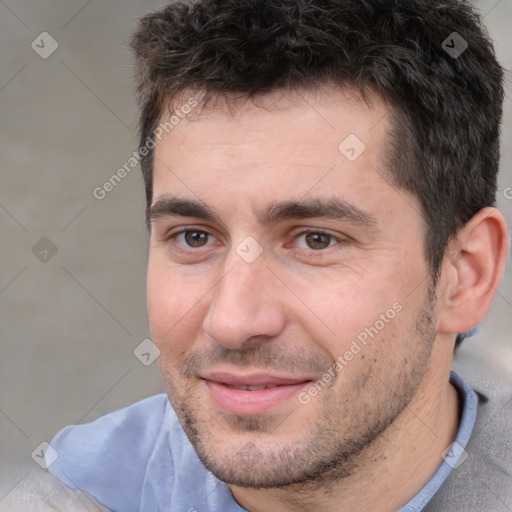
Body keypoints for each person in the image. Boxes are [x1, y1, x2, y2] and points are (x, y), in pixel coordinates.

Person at [7, 0, 511, 510]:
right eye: (194, 237)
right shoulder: (74, 495)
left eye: (317, 239)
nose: (232, 321)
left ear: (466, 273)